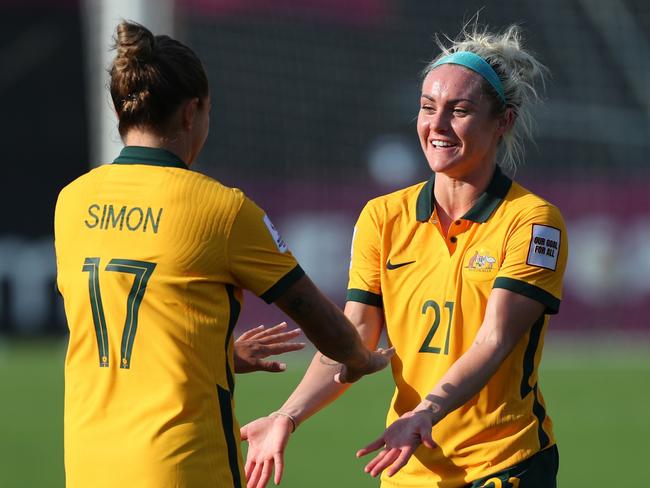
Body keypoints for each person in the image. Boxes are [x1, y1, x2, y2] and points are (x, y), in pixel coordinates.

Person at [54, 20, 393, 488]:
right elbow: (321, 320)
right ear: (192, 112)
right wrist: (360, 359)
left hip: (88, 463)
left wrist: (219, 354)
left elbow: (117, 336)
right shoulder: (222, 209)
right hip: (182, 465)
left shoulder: (72, 201)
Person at [242, 21, 568, 488]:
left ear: (504, 122)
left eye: (459, 111)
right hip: (408, 467)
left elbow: (493, 340)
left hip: (504, 464)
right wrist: (287, 416)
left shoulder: (533, 221)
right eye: (427, 107)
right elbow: (354, 337)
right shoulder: (382, 216)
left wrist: (426, 411)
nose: (436, 125)